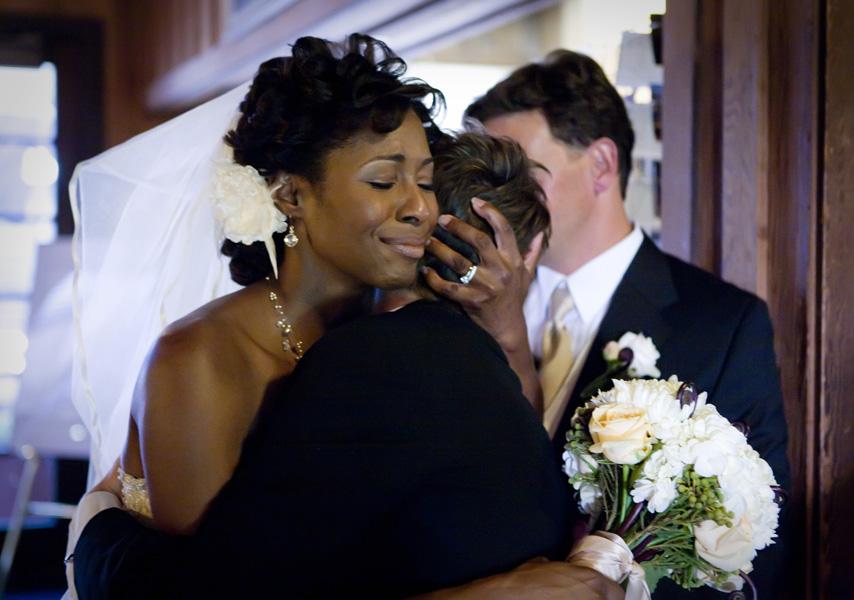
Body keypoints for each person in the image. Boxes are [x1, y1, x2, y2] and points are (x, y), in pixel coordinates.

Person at [68, 35, 621, 599]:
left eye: (425, 182)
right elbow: (221, 591)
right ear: (290, 196)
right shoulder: (201, 360)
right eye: (384, 181)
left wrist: (506, 326)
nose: (420, 207)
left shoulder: (399, 340)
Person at [425, 49, 790, 599]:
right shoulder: (454, 303)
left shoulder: (722, 324)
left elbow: (753, 545)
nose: (492, 203)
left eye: (521, 175)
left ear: (600, 165)